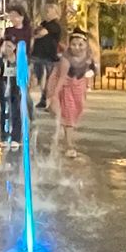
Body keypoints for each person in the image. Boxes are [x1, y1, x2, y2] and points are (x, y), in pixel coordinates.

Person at [55, 29, 98, 157]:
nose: (77, 47)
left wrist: (90, 73)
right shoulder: (66, 59)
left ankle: (68, 138)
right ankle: (69, 145)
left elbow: (93, 70)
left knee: (76, 113)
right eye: (74, 44)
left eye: (80, 44)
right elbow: (61, 77)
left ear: (86, 45)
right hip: (67, 88)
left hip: (80, 89)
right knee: (69, 115)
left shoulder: (88, 58)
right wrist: (53, 95)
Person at [31, 3, 63, 111]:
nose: (46, 13)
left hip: (48, 56)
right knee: (41, 78)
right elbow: (35, 32)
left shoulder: (54, 25)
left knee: (48, 79)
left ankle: (49, 100)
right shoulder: (43, 23)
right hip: (38, 54)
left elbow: (41, 33)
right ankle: (44, 99)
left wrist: (37, 34)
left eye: (49, 11)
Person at [0, 38, 23, 148]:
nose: (7, 49)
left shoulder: (19, 60)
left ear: (15, 47)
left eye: (10, 46)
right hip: (3, 85)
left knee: (16, 109)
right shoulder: (0, 60)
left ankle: (15, 137)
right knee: (5, 110)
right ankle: (5, 136)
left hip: (16, 87)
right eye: (5, 46)